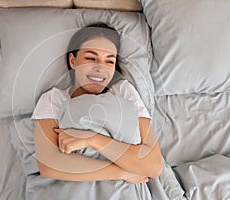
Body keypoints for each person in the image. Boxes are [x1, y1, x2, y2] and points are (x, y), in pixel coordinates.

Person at [32, 23, 163, 189]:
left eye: (109, 62)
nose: (100, 68)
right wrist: (121, 173)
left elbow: (154, 166)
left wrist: (92, 139)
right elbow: (49, 165)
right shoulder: (54, 99)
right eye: (91, 58)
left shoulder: (123, 92)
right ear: (73, 61)